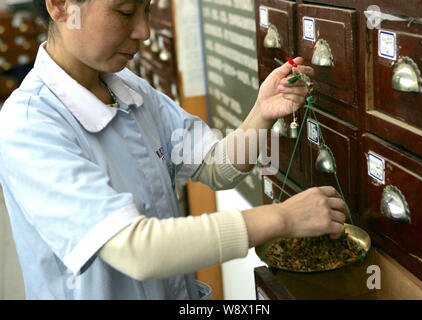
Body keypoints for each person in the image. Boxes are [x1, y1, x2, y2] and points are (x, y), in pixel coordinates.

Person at [0, 0, 347, 300]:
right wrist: (282, 218)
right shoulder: (28, 126)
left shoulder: (131, 91)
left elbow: (215, 167)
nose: (144, 30)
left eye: (148, 10)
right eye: (125, 11)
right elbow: (137, 250)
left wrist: (262, 113)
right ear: (61, 6)